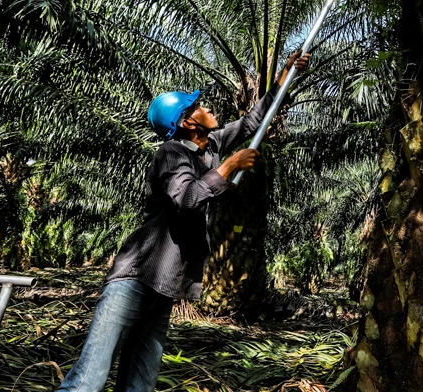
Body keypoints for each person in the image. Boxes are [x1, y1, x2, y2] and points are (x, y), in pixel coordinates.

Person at [57, 51, 310, 392]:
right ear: (188, 123)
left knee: (139, 383)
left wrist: (283, 77)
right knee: (89, 379)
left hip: (165, 284)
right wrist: (229, 167)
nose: (208, 108)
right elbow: (187, 198)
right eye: (199, 106)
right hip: (135, 279)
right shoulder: (171, 153)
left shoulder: (212, 146)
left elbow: (251, 122)